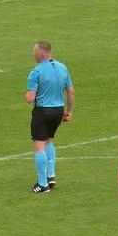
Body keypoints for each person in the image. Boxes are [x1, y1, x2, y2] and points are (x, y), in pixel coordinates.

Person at [25, 41, 75, 193]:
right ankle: (51, 175)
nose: (33, 54)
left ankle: (42, 184)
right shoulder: (62, 68)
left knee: (39, 145)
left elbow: (30, 98)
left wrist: (28, 95)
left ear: (41, 53)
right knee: (48, 140)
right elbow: (71, 91)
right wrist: (69, 111)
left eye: (35, 52)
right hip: (58, 110)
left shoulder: (36, 71)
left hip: (42, 111)